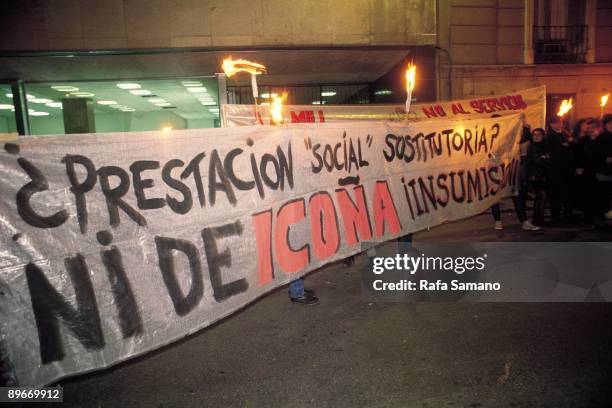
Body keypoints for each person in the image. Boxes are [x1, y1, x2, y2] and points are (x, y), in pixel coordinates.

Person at [491, 123, 540, 231]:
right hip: (498, 172)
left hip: (512, 170)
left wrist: (525, 129)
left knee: (517, 194)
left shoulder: (511, 138)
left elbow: (523, 146)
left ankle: (524, 221)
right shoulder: (491, 141)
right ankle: (498, 221)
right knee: (495, 197)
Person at [546, 116, 573, 223]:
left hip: (564, 168)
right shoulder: (550, 135)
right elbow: (554, 151)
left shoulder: (562, 133)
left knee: (563, 192)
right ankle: (555, 216)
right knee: (556, 194)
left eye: (561, 122)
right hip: (556, 169)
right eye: (558, 123)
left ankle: (563, 214)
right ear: (552, 124)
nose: (560, 124)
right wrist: (565, 146)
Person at [573, 119, 597, 223]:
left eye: (593, 127)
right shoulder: (583, 140)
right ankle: (587, 215)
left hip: (597, 170)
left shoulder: (600, 139)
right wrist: (578, 166)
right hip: (586, 170)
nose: (591, 129)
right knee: (587, 193)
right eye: (589, 127)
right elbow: (578, 155)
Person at [525, 128, 550, 225]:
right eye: (534, 135)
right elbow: (538, 160)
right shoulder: (533, 147)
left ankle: (539, 218)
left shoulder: (544, 146)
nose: (536, 136)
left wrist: (545, 157)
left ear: (543, 136)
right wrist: (544, 158)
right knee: (541, 196)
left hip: (542, 174)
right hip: (536, 175)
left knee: (541, 197)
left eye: (538, 134)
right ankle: (538, 219)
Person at [593, 114, 612, 220]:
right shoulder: (601, 138)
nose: (611, 125)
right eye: (609, 123)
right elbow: (596, 155)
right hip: (603, 172)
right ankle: (602, 218)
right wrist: (605, 159)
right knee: (603, 197)